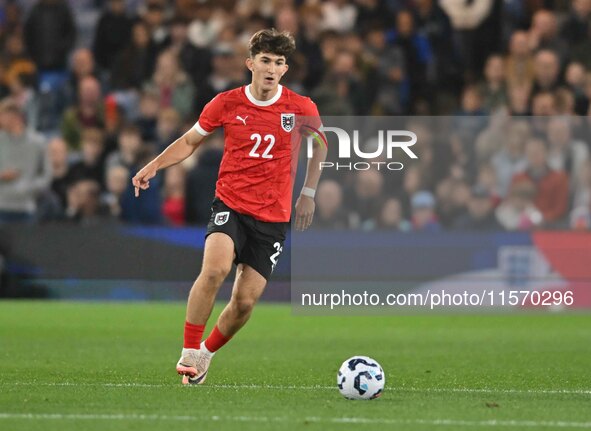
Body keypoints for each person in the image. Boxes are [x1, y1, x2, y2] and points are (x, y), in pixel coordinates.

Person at [132, 29, 326, 384]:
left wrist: (309, 191)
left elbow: (320, 145)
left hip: (273, 217)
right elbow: (191, 140)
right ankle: (189, 350)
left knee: (244, 303)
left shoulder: (301, 108)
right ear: (250, 63)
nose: (271, 68)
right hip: (231, 203)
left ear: (285, 70)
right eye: (265, 60)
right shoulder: (226, 103)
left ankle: (206, 353)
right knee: (214, 270)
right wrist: (155, 165)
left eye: (279, 62)